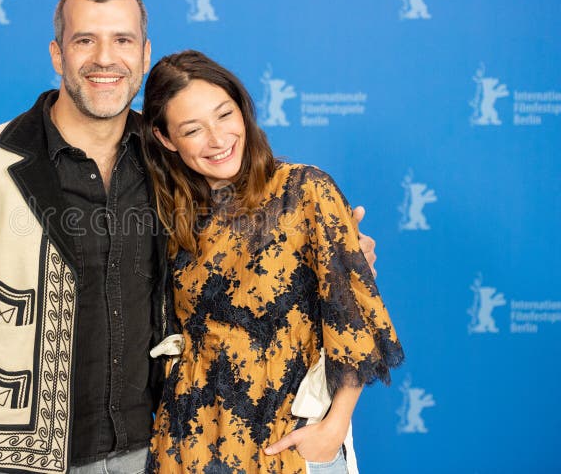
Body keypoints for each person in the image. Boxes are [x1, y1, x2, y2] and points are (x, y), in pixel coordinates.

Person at [0, 0, 378, 474]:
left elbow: (249, 254)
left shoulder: (174, 162)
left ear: (144, 53)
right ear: (57, 54)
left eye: (122, 40)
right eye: (85, 40)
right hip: (10, 463)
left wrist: (337, 257)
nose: (105, 58)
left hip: (149, 451)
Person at [140, 50, 404, 473]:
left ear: (243, 110)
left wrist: (334, 427)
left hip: (287, 446)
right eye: (192, 129)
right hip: (188, 447)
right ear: (166, 139)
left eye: (224, 115)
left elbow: (352, 322)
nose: (217, 138)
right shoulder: (166, 215)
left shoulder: (304, 190)